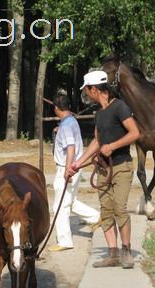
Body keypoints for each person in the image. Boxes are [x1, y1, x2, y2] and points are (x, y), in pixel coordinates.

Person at [69, 70, 140, 269]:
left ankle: (126, 251)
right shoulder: (99, 113)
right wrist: (78, 162)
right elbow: (97, 141)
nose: (86, 93)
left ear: (94, 89)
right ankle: (112, 253)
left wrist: (113, 146)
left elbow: (135, 133)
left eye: (86, 90)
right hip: (102, 169)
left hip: (121, 166)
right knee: (106, 211)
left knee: (120, 208)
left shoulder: (120, 107)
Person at [48, 93, 100, 252]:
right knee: (70, 201)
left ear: (56, 108)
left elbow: (70, 147)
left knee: (59, 207)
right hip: (75, 166)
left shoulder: (66, 126)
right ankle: (96, 217)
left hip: (67, 166)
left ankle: (64, 240)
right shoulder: (71, 121)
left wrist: (67, 169)